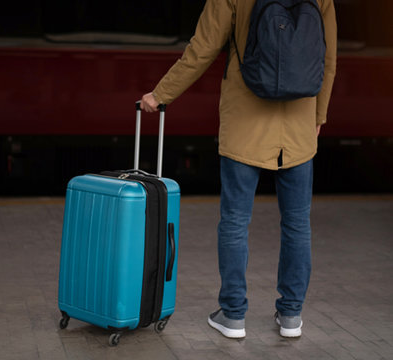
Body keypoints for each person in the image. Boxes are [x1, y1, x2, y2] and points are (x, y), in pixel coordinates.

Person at [140, 0, 337, 338]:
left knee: (234, 222)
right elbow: (328, 58)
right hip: (299, 128)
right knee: (297, 223)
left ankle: (233, 316)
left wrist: (160, 95)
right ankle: (291, 316)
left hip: (245, 125)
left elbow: (201, 50)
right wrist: (319, 115)